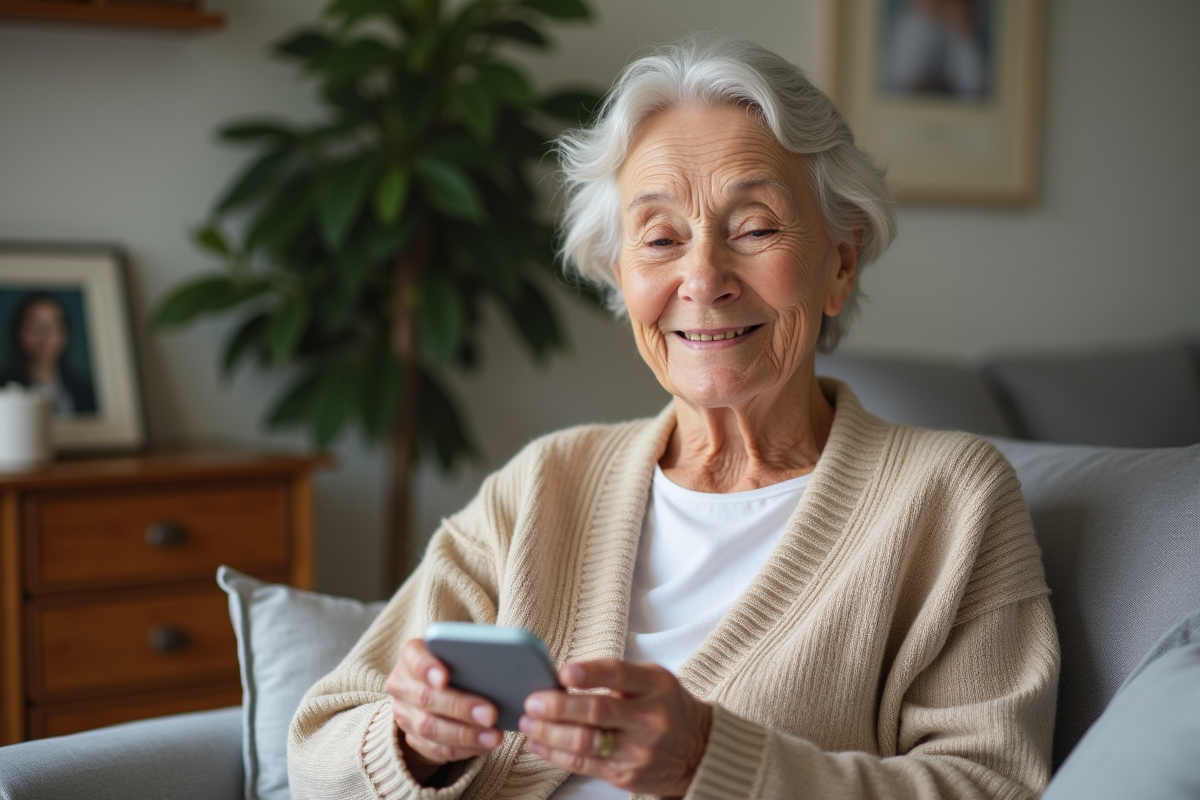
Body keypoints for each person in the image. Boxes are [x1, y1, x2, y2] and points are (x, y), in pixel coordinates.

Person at [288, 35, 1057, 800]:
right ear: (620, 277)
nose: (702, 278)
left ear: (841, 261)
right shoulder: (545, 484)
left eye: (754, 228)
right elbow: (318, 753)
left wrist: (710, 762)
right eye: (659, 239)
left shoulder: (949, 499)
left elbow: (993, 785)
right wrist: (413, 742)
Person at [0, 292, 97, 417]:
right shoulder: (3, 385)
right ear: (18, 331)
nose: (43, 336)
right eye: (33, 326)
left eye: (53, 326)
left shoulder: (84, 390)